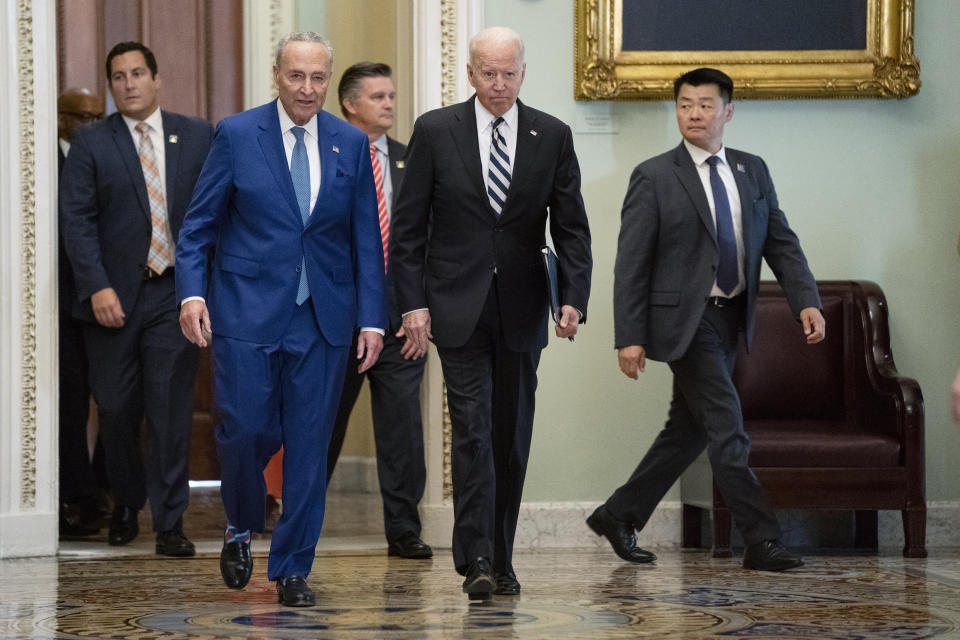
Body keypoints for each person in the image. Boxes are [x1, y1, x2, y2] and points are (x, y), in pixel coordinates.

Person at [176, 32, 385, 607]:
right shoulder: (238, 134)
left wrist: (372, 319)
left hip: (322, 318)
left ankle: (293, 567)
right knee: (242, 431)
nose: (308, 89)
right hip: (244, 309)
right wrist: (191, 295)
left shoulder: (350, 141)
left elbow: (365, 239)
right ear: (277, 75)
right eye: (297, 76)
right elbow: (197, 228)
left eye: (319, 78)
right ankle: (241, 524)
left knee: (309, 445)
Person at [588, 67, 825, 572]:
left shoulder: (752, 170)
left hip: (732, 319)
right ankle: (761, 539)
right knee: (726, 425)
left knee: (689, 430)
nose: (694, 114)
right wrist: (628, 336)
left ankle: (619, 513)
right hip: (683, 323)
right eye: (685, 104)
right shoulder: (654, 175)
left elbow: (780, 240)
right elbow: (631, 263)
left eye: (706, 105)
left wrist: (805, 299)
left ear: (728, 111)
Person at [391, 26, 593, 598]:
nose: (499, 84)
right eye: (488, 73)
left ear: (522, 72)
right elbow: (408, 230)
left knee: (511, 437)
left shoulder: (550, 134)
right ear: (471, 73)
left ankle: (502, 560)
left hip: (524, 308)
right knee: (474, 432)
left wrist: (573, 296)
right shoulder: (436, 130)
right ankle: (476, 558)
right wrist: (413, 304)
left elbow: (572, 227)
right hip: (456, 308)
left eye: (509, 73)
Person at [60, 43, 213, 556]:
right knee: (118, 408)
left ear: (157, 78)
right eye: (118, 76)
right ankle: (126, 502)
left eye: (138, 73)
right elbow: (76, 221)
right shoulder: (91, 142)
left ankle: (170, 522)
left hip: (175, 295)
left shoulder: (195, 134)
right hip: (111, 301)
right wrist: (97, 286)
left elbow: (214, 211)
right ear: (111, 85)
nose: (128, 83)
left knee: (170, 412)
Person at [326, 62, 431, 560]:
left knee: (402, 431)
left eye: (392, 95)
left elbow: (426, 243)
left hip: (398, 322)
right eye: (378, 97)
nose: (390, 104)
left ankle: (405, 529)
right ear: (349, 103)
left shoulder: (410, 161)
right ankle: (297, 516)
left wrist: (418, 308)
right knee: (319, 423)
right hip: (335, 321)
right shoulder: (323, 156)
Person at [56, 87, 108, 538]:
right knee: (69, 405)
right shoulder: (43, 162)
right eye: (80, 117)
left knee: (116, 401)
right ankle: (76, 495)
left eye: (97, 117)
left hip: (109, 301)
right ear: (60, 119)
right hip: (58, 306)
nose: (89, 125)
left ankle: (105, 490)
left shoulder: (108, 158)